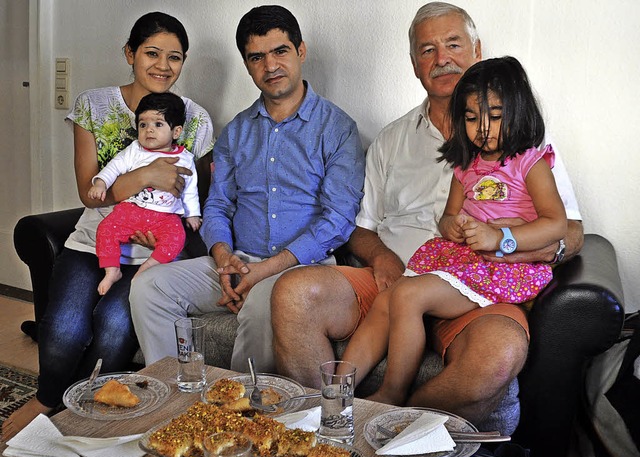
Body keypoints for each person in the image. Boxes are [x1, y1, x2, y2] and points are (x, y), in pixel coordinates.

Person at [271, 2, 583, 433]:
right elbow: (362, 229)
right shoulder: (391, 140)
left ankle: (389, 428)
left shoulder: (526, 146)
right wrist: (381, 259)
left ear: (477, 50)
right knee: (293, 292)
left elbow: (571, 230)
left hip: (485, 285)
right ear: (415, 64)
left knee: (498, 353)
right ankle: (323, 423)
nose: (442, 59)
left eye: (453, 44)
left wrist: (513, 244)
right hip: (406, 270)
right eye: (427, 50)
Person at [1, 12, 214, 441]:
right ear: (130, 53)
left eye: (175, 57)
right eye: (152, 53)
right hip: (95, 238)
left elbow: (197, 195)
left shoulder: (195, 118)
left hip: (154, 253)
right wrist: (147, 175)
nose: (162, 65)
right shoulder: (94, 105)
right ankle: (48, 399)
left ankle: (85, 410)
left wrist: (166, 221)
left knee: (115, 328)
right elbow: (88, 191)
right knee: (63, 328)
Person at [129, 5, 365, 372]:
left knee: (262, 305)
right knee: (150, 288)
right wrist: (224, 259)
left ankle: (243, 415)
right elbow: (219, 205)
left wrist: (267, 270)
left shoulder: (337, 129)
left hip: (302, 269)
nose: (270, 66)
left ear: (300, 52)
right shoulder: (237, 131)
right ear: (247, 64)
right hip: (237, 261)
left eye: (280, 51)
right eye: (257, 57)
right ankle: (177, 401)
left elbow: (337, 219)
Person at [340, 56, 567, 406]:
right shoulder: (467, 164)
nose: (484, 129)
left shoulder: (531, 163)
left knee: (407, 295)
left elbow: (556, 224)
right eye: (473, 118)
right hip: (463, 261)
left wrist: (501, 238)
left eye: (495, 115)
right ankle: (337, 390)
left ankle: (393, 394)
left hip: (502, 269)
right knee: (389, 297)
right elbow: (447, 218)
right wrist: (455, 227)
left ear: (519, 112)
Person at [89, 92, 202, 295]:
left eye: (158, 124)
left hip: (165, 217)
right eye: (143, 125)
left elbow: (190, 188)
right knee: (106, 229)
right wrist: (100, 182)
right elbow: (114, 167)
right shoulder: (135, 150)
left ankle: (148, 267)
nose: (149, 130)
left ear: (176, 131)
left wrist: (193, 214)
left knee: (177, 238)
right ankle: (112, 270)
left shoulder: (185, 158)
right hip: (131, 210)